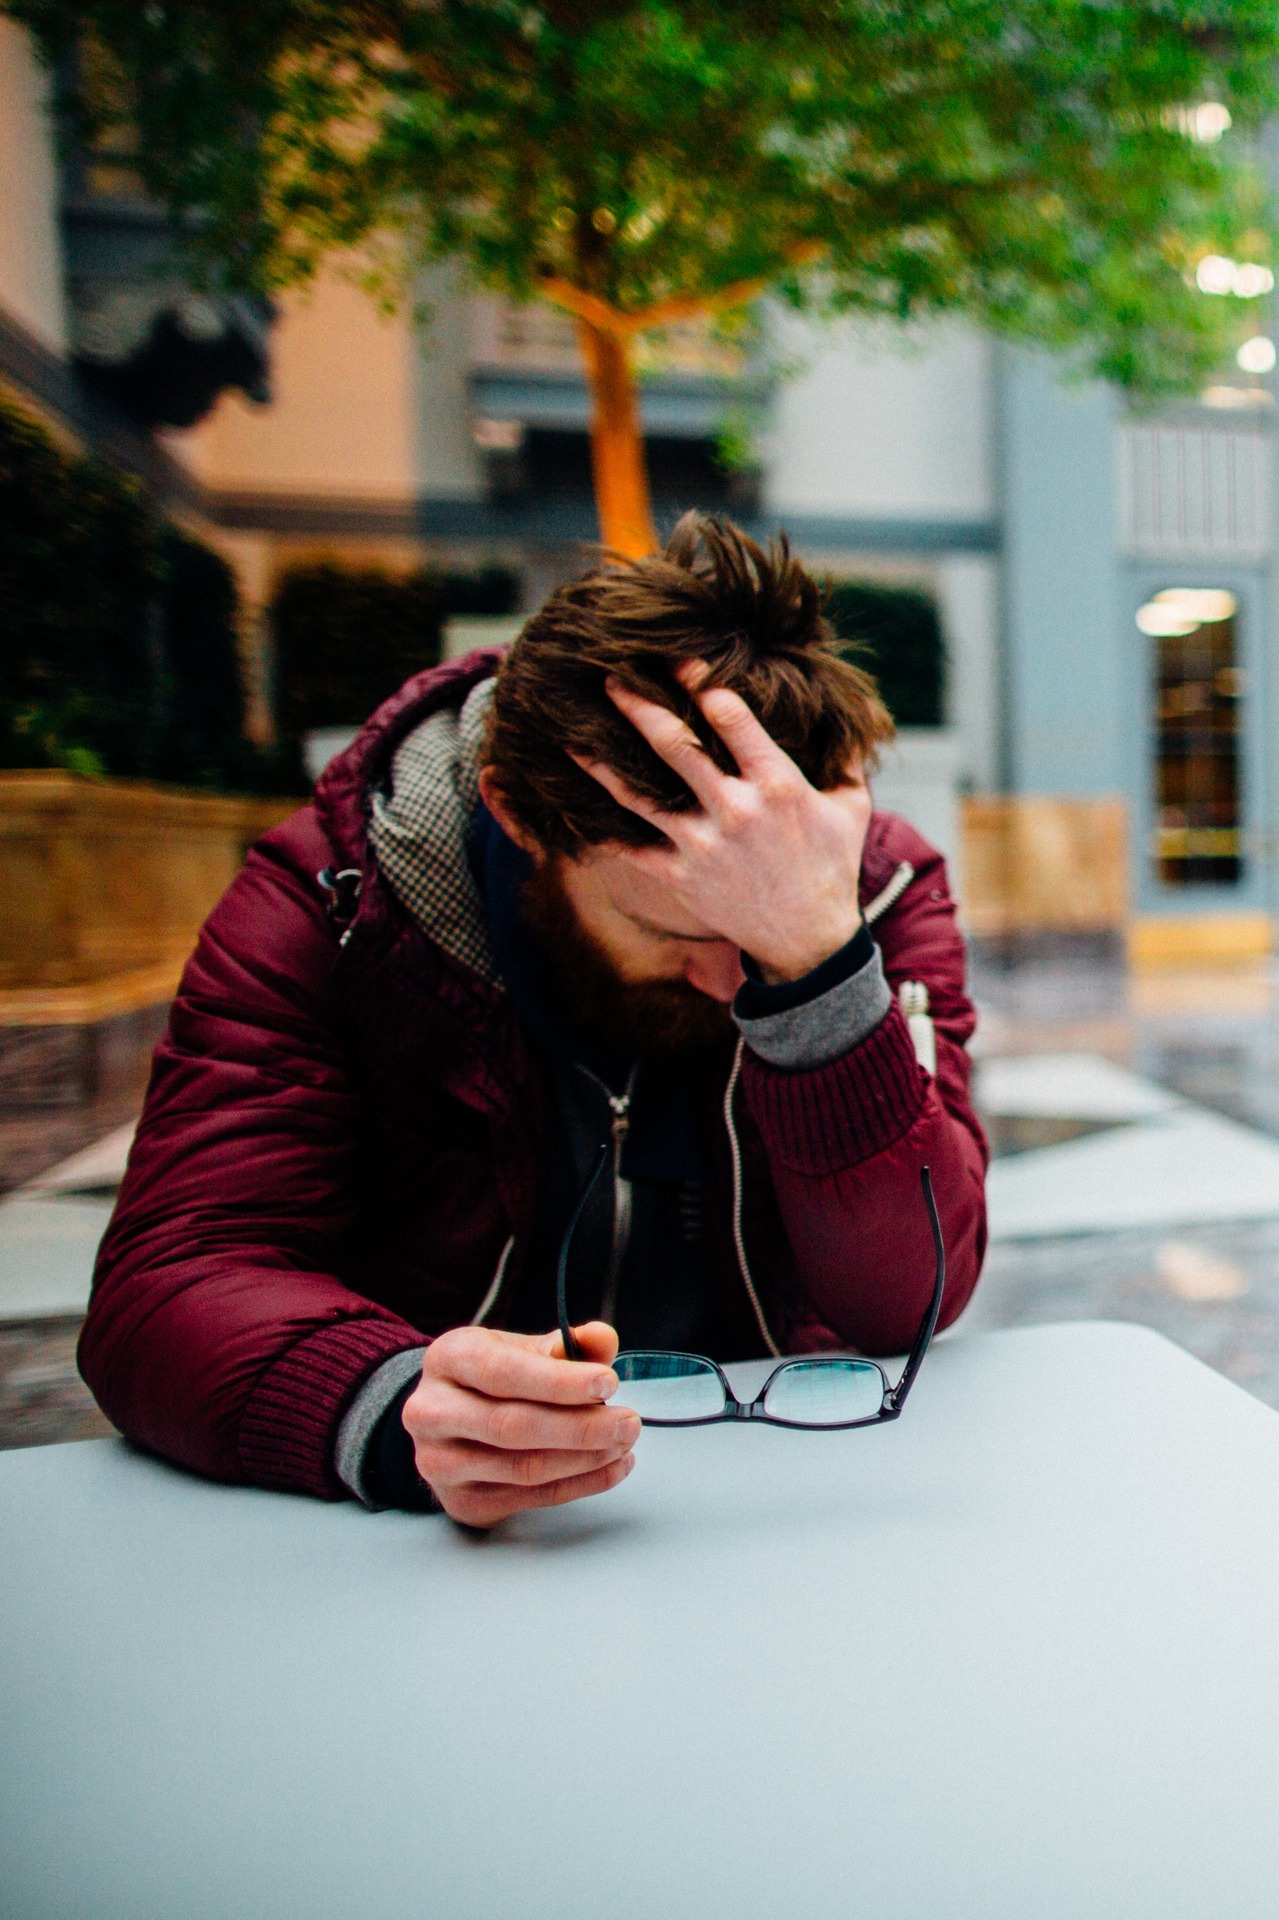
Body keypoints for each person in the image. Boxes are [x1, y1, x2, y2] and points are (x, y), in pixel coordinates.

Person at [79, 514, 989, 1528]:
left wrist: (821, 968)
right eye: (674, 925)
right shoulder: (332, 902)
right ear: (515, 813)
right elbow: (168, 1286)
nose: (734, 980)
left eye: (766, 926)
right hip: (453, 1552)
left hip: (788, 1499)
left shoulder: (873, 889)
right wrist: (389, 1404)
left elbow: (907, 1299)